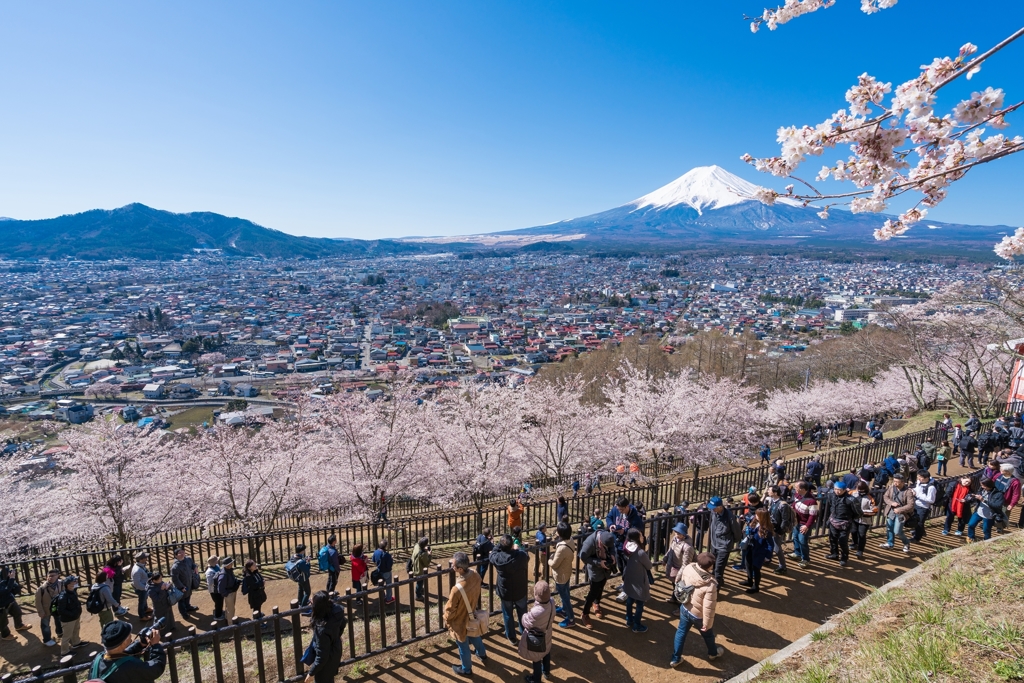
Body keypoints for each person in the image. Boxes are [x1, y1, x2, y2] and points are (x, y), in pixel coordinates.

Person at [669, 553, 726, 668]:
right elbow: (708, 608)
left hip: (685, 607)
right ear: (710, 567)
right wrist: (707, 624)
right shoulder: (710, 585)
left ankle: (675, 658)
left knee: (681, 632)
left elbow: (680, 580)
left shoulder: (689, 567)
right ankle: (713, 653)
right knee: (708, 635)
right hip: (698, 614)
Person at [445, 551, 486, 677]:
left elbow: (450, 609)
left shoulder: (457, 589)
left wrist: (446, 619)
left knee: (462, 643)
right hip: (471, 612)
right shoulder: (475, 575)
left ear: (460, 569)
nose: (452, 566)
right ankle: (481, 653)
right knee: (474, 634)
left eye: (454, 566)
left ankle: (466, 669)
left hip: (460, 619)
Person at [90, 619, 166, 683]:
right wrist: (155, 645)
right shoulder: (131, 666)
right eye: (129, 634)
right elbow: (156, 668)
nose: (131, 636)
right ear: (124, 642)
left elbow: (118, 659)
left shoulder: (98, 660)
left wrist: (140, 645)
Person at [490, 534, 529, 645]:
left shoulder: (498, 558)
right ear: (512, 546)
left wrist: (500, 545)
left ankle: (511, 637)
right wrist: (516, 549)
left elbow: (492, 554)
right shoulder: (520, 556)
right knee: (523, 613)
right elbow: (526, 556)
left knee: (507, 614)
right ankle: (525, 633)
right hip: (520, 589)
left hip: (505, 591)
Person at [578, 524, 617, 628]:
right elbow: (583, 557)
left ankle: (596, 603)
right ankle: (585, 614)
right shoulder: (589, 542)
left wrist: (612, 555)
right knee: (593, 591)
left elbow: (612, 547)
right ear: (601, 542)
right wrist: (599, 562)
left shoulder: (608, 536)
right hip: (595, 568)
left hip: (605, 569)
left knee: (602, 585)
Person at [305, 591, 346, 683]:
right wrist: (336, 636)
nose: (310, 602)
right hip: (336, 650)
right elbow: (343, 623)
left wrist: (311, 673)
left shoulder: (322, 629)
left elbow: (322, 656)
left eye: (312, 602)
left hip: (326, 663)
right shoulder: (336, 612)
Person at [519, 581, 555, 683]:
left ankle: (536, 679)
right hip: (547, 633)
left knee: (536, 659)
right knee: (546, 652)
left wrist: (525, 615)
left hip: (537, 638)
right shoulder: (552, 603)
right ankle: (546, 672)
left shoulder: (536, 612)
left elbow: (525, 622)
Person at [621, 528, 652, 632]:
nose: (642, 537)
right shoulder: (640, 552)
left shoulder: (627, 547)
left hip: (630, 578)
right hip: (639, 580)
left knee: (630, 599)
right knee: (639, 603)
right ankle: (637, 626)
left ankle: (629, 619)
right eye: (640, 535)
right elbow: (649, 566)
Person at [547, 522, 577, 628]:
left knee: (565, 597)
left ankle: (571, 619)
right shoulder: (571, 540)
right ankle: (564, 610)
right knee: (566, 592)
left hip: (561, 575)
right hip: (567, 571)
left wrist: (549, 560)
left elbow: (555, 564)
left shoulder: (562, 548)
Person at [825, 481, 861, 566]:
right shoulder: (831, 495)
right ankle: (834, 554)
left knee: (842, 541)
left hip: (845, 523)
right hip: (833, 521)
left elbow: (858, 513)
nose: (837, 491)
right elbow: (831, 506)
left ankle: (844, 558)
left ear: (845, 490)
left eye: (839, 490)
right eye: (835, 489)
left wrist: (849, 519)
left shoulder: (851, 499)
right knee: (832, 539)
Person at [740, 509, 775, 594]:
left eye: (758, 515)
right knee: (748, 564)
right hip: (751, 548)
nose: (756, 516)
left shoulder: (767, 529)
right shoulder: (755, 523)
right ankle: (749, 580)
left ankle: (756, 586)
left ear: (763, 517)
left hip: (759, 552)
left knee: (756, 569)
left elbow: (771, 545)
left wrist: (767, 556)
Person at [881, 473, 916, 553]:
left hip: (901, 514)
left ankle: (906, 543)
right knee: (889, 528)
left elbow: (911, 505)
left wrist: (900, 510)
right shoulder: (891, 488)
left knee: (897, 531)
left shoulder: (908, 492)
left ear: (903, 482)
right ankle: (890, 543)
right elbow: (885, 497)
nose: (895, 483)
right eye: (894, 481)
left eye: (897, 482)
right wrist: (891, 503)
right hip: (890, 512)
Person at [707, 497, 736, 589]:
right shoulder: (713, 512)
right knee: (714, 566)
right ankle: (720, 581)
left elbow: (737, 532)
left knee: (718, 570)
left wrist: (729, 542)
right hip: (714, 544)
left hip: (724, 546)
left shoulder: (730, 517)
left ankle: (715, 591)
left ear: (720, 507)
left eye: (714, 507)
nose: (712, 509)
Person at [766, 486, 792, 573]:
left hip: (777, 530)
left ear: (775, 493)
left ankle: (783, 566)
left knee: (777, 548)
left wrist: (781, 531)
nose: (768, 491)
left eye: (769, 490)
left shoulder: (782, 504)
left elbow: (785, 520)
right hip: (771, 528)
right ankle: (767, 559)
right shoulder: (773, 501)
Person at [56, 575, 83, 656]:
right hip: (68, 620)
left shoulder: (73, 591)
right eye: (73, 582)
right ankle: (64, 652)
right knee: (67, 636)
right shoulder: (63, 596)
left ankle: (76, 642)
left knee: (76, 630)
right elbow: (61, 610)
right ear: (68, 584)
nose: (75, 583)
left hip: (75, 616)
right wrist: (72, 614)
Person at [35, 568, 63, 646]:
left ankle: (60, 633)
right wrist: (40, 612)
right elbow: (37, 602)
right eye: (49, 576)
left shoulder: (61, 584)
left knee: (59, 620)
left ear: (58, 576)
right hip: (46, 609)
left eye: (53, 576)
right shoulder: (41, 588)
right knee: (45, 625)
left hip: (57, 607)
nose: (50, 578)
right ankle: (47, 639)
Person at [170, 548, 200, 619]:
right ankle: (183, 613)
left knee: (188, 595)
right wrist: (181, 587)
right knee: (181, 600)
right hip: (182, 586)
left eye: (183, 552)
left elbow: (192, 564)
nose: (182, 553)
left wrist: (195, 567)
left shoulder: (188, 559)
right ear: (176, 555)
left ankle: (188, 607)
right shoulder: (175, 567)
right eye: (180, 553)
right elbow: (175, 579)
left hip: (189, 582)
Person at [850, 481, 877, 559]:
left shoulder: (870, 497)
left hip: (865, 519)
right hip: (854, 518)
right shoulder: (853, 493)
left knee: (861, 535)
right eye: (858, 489)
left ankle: (860, 550)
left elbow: (874, 510)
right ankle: (854, 543)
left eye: (861, 490)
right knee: (853, 531)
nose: (859, 491)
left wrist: (863, 513)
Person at [0, 567, 28, 641]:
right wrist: (12, 578)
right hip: (1, 605)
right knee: (3, 622)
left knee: (18, 612)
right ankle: (5, 635)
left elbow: (8, 583)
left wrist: (10, 577)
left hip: (9, 599)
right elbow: (4, 590)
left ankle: (19, 625)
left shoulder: (3, 570)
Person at [911, 470, 938, 543]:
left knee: (919, 523)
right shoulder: (919, 482)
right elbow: (917, 489)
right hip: (916, 504)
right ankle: (921, 532)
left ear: (926, 478)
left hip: (924, 507)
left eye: (920, 477)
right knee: (916, 521)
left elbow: (931, 500)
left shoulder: (931, 488)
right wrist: (913, 490)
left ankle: (917, 538)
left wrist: (917, 495)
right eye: (918, 476)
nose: (918, 478)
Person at [216, 557, 240, 624]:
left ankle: (227, 620)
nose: (232, 564)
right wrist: (227, 594)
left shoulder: (228, 570)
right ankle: (231, 625)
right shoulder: (223, 575)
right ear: (227, 565)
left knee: (229, 608)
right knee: (231, 610)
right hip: (229, 594)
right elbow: (220, 589)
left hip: (232, 592)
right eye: (231, 563)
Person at [130, 552, 153, 622]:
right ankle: (142, 616)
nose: (146, 558)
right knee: (142, 602)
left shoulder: (141, 566)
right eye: (145, 557)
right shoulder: (137, 570)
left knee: (145, 599)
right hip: (141, 588)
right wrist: (146, 588)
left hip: (144, 587)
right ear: (140, 560)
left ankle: (146, 609)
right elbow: (137, 584)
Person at [371, 539, 395, 604]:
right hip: (387, 572)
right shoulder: (387, 555)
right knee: (388, 585)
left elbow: (373, 560)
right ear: (385, 547)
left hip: (379, 571)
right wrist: (391, 559)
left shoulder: (376, 552)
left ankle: (382, 596)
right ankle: (389, 599)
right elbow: (389, 565)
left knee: (380, 585)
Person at [410, 537, 433, 601]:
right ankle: (418, 595)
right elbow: (426, 563)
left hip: (414, 566)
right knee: (420, 582)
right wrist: (429, 555)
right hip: (419, 570)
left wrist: (424, 549)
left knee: (419, 581)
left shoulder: (416, 546)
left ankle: (419, 589)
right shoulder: (423, 554)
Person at [205, 556, 224, 620]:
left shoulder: (217, 566)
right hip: (214, 590)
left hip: (219, 588)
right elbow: (210, 583)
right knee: (218, 602)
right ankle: (217, 616)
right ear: (214, 562)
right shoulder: (209, 572)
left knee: (220, 601)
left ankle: (220, 611)